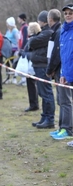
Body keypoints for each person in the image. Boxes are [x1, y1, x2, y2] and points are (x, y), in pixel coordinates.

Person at [29, 11, 55, 129]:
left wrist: (33, 37)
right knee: (43, 93)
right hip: (39, 65)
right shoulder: (43, 32)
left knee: (46, 93)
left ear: (43, 21)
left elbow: (32, 42)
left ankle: (49, 119)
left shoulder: (48, 32)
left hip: (43, 66)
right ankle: (44, 117)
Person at [46, 9, 69, 139]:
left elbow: (56, 54)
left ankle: (66, 129)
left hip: (61, 71)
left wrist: (50, 70)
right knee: (61, 100)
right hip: (59, 71)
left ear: (50, 19)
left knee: (65, 101)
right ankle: (61, 127)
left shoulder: (59, 31)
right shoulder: (57, 31)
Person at [59, 5, 73, 146]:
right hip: (67, 74)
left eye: (71, 13)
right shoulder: (63, 31)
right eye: (66, 13)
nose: (68, 15)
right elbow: (64, 56)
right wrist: (63, 74)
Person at [4, 17, 20, 84]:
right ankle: (7, 78)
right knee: (7, 63)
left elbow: (18, 40)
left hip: (14, 50)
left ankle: (14, 78)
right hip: (8, 50)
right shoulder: (8, 31)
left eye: (7, 23)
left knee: (14, 64)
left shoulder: (15, 31)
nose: (6, 24)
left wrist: (18, 51)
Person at [16, 13, 29, 86]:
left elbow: (25, 38)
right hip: (21, 47)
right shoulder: (22, 27)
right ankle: (23, 79)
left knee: (24, 64)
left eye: (18, 18)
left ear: (22, 19)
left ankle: (24, 79)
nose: (18, 20)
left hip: (24, 48)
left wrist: (22, 48)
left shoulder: (25, 27)